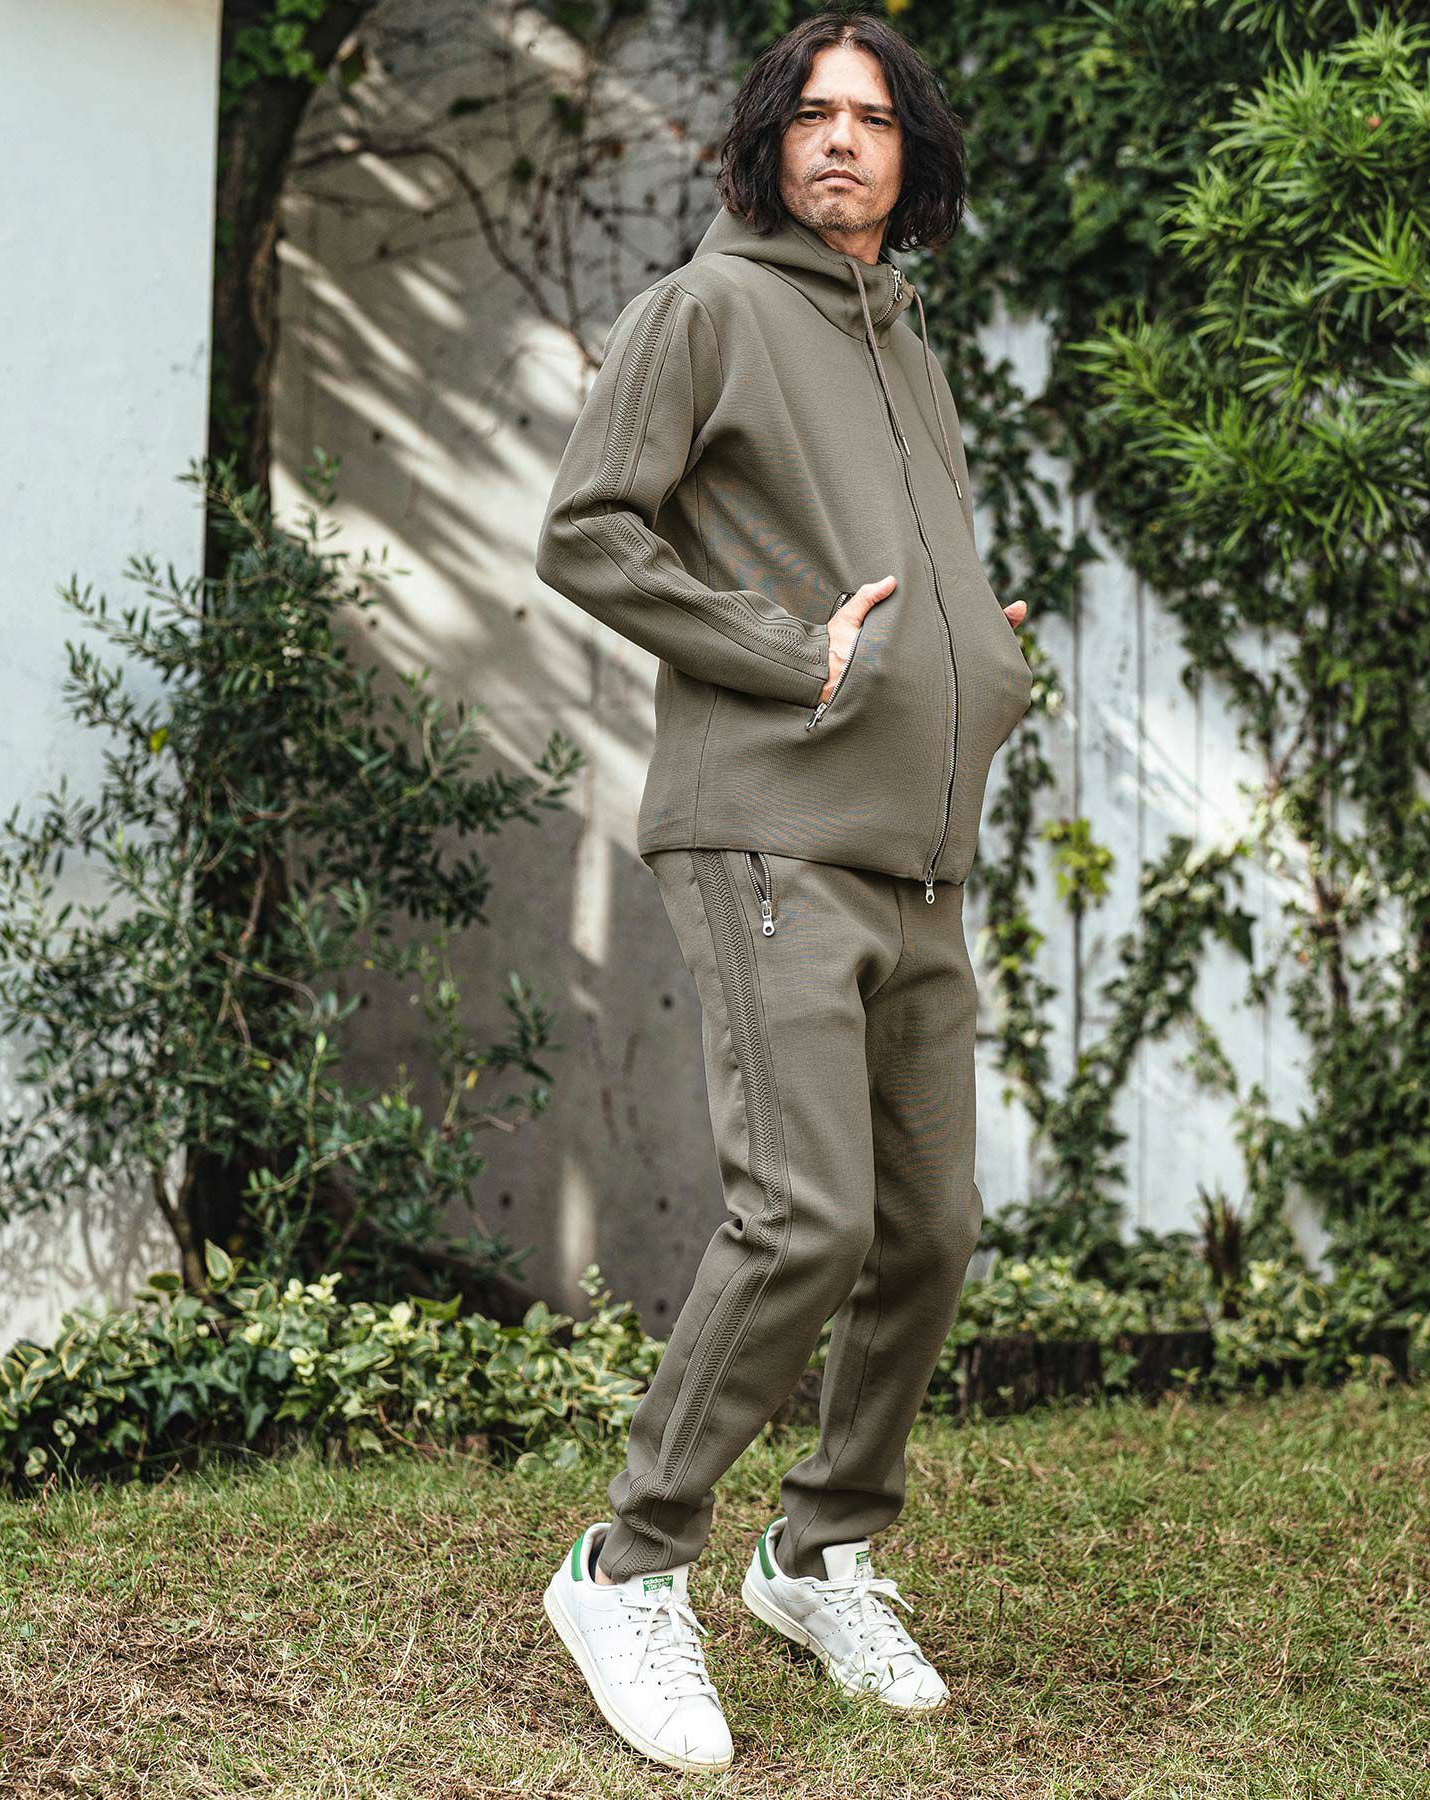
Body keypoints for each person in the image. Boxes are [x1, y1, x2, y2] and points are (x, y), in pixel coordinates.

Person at [531, 5, 1031, 1773]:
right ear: (767, 141)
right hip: (769, 832)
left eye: (873, 118)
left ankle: (817, 1554)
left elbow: (894, 584)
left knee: (931, 1231)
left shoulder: (903, 341)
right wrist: (781, 649)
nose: (840, 140)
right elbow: (589, 529)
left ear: (912, 157)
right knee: (806, 1217)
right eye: (812, 113)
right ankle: (626, 1563)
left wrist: (980, 652)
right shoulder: (708, 309)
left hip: (918, 853)